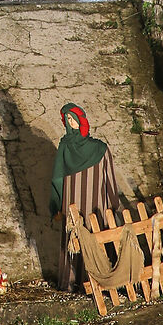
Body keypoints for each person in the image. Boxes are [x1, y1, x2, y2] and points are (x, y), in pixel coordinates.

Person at [49, 102, 120, 290]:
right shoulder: (66, 146)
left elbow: (109, 177)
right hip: (75, 204)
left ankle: (99, 280)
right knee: (77, 237)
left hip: (96, 206)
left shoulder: (100, 148)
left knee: (94, 235)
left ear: (82, 121)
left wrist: (112, 204)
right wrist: (58, 205)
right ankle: (76, 283)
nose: (71, 123)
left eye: (74, 119)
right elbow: (57, 177)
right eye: (68, 120)